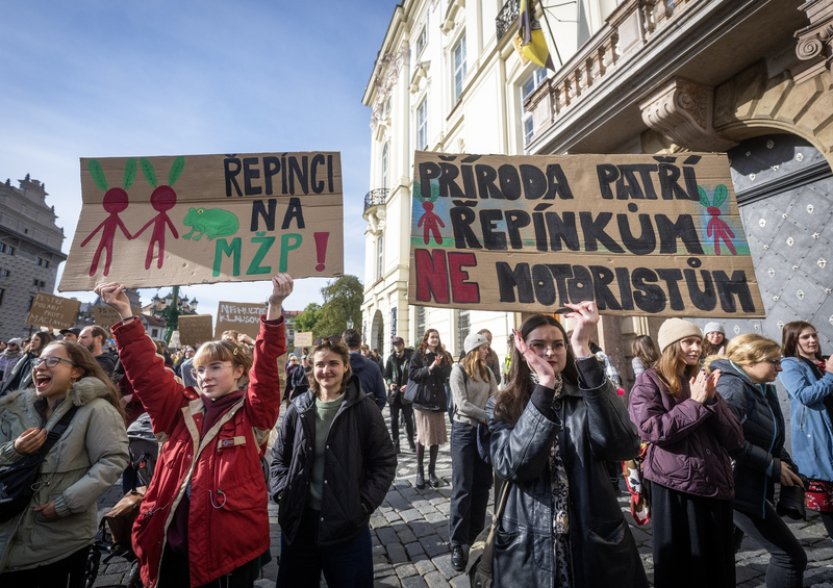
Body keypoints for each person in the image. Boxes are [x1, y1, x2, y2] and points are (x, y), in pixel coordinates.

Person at [97, 274, 292, 588]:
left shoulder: (252, 413)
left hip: (225, 553)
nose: (205, 375)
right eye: (200, 369)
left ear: (241, 371)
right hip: (171, 545)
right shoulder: (179, 408)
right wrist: (125, 313)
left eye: (215, 367)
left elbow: (268, 372)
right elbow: (146, 371)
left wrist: (273, 310)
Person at [488, 303, 647, 586]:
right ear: (522, 350)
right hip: (531, 543)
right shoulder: (502, 405)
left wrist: (583, 348)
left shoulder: (588, 394)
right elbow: (513, 466)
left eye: (558, 345)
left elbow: (624, 445)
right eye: (538, 345)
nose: (550, 352)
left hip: (592, 540)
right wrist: (545, 387)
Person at [0, 341, 129, 587]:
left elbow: (114, 460)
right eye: (39, 360)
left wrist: (66, 503)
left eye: (52, 360)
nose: (40, 366)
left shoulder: (97, 410)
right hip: (8, 527)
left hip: (57, 542)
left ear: (77, 371)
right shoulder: (15, 408)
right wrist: (14, 449)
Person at [270, 337, 396, 587]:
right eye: (320, 364)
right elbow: (278, 457)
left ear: (346, 366)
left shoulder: (364, 408)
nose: (326, 370)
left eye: (333, 363)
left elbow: (384, 461)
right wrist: (283, 493)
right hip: (300, 523)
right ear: (311, 367)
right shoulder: (300, 407)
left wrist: (363, 503)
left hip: (346, 525)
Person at [629, 318, 744, 588]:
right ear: (671, 346)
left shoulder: (700, 377)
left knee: (717, 566)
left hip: (714, 483)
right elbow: (652, 429)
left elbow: (734, 437)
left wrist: (712, 400)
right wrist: (695, 403)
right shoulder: (649, 381)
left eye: (697, 342)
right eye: (688, 342)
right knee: (682, 568)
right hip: (675, 486)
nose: (696, 347)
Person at [709, 333, 807, 587]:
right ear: (750, 361)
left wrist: (785, 463)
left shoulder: (756, 386)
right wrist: (771, 465)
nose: (780, 367)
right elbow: (725, 440)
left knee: (720, 558)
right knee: (790, 556)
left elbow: (767, 436)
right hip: (736, 489)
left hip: (745, 485)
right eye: (774, 361)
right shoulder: (733, 388)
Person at [448, 332, 496, 572]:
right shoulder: (458, 371)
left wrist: (499, 412)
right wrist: (488, 416)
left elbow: (495, 397)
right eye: (484, 347)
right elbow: (462, 404)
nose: (487, 350)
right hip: (464, 433)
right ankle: (457, 542)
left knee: (482, 485)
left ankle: (476, 536)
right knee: (462, 486)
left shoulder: (488, 372)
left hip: (484, 433)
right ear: (475, 349)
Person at [780, 321, 833, 539]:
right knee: (828, 500)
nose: (812, 340)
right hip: (817, 436)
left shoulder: (825, 361)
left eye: (814, 335)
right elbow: (805, 396)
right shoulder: (790, 365)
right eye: (805, 337)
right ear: (793, 340)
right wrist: (831, 375)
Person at [407, 329, 453, 489]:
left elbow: (448, 374)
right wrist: (430, 367)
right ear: (426, 339)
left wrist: (439, 366)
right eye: (432, 337)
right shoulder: (418, 355)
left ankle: (432, 471)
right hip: (421, 401)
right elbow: (412, 374)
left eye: (437, 337)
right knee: (421, 436)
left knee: (435, 437)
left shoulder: (443, 355)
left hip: (437, 401)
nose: (435, 339)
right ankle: (419, 472)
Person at [384, 336, 415, 453]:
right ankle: (396, 444)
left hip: (406, 394)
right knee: (393, 420)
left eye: (398, 344)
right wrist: (389, 383)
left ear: (403, 344)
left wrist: (408, 385)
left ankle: (411, 442)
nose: (397, 346)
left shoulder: (411, 357)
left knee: (408, 420)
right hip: (394, 394)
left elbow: (414, 374)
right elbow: (386, 374)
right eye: (395, 344)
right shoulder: (391, 358)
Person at [1, 331, 55, 395]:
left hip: (23, 396)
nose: (32, 341)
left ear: (44, 342)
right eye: (32, 339)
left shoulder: (43, 362)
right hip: (9, 391)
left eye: (36, 339)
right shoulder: (26, 357)